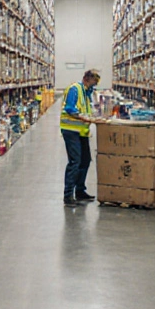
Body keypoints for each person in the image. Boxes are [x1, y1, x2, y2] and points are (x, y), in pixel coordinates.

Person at [60, 69, 103, 206]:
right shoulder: (75, 89)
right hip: (71, 130)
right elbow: (69, 108)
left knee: (85, 160)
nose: (93, 86)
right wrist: (83, 117)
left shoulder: (86, 93)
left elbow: (86, 109)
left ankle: (80, 191)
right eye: (92, 83)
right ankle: (68, 195)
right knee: (75, 161)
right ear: (86, 79)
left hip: (81, 131)